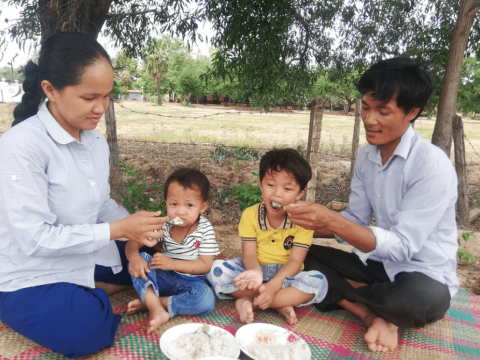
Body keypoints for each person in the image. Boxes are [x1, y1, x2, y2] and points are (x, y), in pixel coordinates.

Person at [0, 32, 167, 358]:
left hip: (82, 251)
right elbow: (34, 239)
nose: (101, 108)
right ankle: (84, 294)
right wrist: (119, 231)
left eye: (107, 96)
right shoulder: (21, 147)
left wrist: (137, 226)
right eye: (90, 97)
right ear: (51, 90)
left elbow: (101, 204)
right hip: (28, 270)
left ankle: (88, 288)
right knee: (84, 331)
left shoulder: (94, 142)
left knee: (153, 252)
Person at [285, 57, 458, 353]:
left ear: (412, 112)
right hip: (379, 264)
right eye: (365, 107)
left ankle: (361, 299)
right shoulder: (367, 157)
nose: (369, 118)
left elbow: (404, 246)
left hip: (423, 274)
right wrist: (300, 226)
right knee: (295, 253)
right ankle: (372, 313)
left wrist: (331, 219)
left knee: (409, 302)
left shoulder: (431, 166)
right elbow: (356, 219)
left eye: (383, 111)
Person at [207, 149, 328, 324]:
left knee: (319, 281)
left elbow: (295, 261)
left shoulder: (303, 220)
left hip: (287, 277)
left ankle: (251, 301)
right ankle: (281, 302)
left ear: (300, 193)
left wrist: (273, 286)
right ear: (260, 184)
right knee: (216, 269)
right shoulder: (250, 215)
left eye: (287, 188)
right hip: (254, 271)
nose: (277, 194)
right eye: (271, 185)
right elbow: (249, 255)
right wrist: (255, 274)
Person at [126, 168, 220, 334]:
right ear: (166, 202)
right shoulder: (165, 224)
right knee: (142, 259)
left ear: (202, 207)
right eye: (174, 204)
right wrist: (134, 257)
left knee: (206, 300)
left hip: (192, 282)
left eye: (189, 205)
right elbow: (134, 241)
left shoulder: (205, 229)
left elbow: (205, 264)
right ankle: (155, 307)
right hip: (164, 277)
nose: (180, 211)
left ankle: (153, 302)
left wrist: (172, 263)